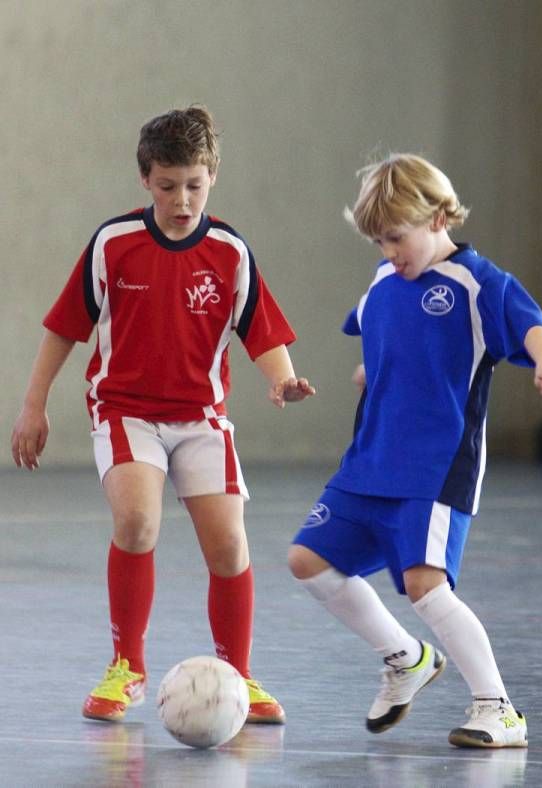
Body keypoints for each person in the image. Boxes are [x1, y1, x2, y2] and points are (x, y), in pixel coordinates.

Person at [11, 106, 315, 725]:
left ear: (213, 178)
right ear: (146, 180)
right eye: (169, 185)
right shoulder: (113, 244)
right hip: (126, 411)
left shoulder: (230, 252)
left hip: (201, 416)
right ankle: (128, 665)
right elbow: (64, 329)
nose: (182, 200)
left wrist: (282, 382)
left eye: (195, 185)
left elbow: (259, 332)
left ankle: (240, 672)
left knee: (230, 545)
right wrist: (32, 404)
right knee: (137, 521)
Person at [288, 153, 542, 748]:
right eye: (379, 241)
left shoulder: (476, 282)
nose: (389, 251)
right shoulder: (385, 281)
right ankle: (406, 658)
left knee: (425, 583)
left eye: (396, 236)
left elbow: (529, 321)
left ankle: (499, 708)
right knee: (308, 562)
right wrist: (373, 371)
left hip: (435, 466)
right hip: (370, 459)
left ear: (439, 217)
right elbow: (390, 339)